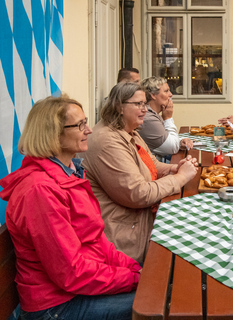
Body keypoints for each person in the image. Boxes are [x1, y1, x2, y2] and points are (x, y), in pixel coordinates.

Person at [0, 95, 141, 320]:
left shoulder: (68, 174)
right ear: (53, 134)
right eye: (80, 125)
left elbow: (97, 242)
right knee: (163, 302)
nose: (89, 130)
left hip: (78, 290)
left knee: (159, 289)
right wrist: (132, 279)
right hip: (56, 306)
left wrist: (134, 270)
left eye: (86, 122)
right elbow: (70, 272)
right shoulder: (40, 191)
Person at [81, 82, 198, 262]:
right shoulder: (108, 142)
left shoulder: (127, 129)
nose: (145, 109)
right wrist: (180, 177)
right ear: (119, 106)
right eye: (138, 104)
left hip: (140, 221)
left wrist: (173, 168)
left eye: (145, 104)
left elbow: (152, 164)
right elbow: (138, 194)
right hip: (126, 239)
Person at [139, 76, 193, 160]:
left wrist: (179, 142)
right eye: (166, 91)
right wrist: (168, 118)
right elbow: (172, 147)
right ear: (153, 95)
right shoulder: (148, 118)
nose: (171, 94)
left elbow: (168, 140)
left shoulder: (153, 114)